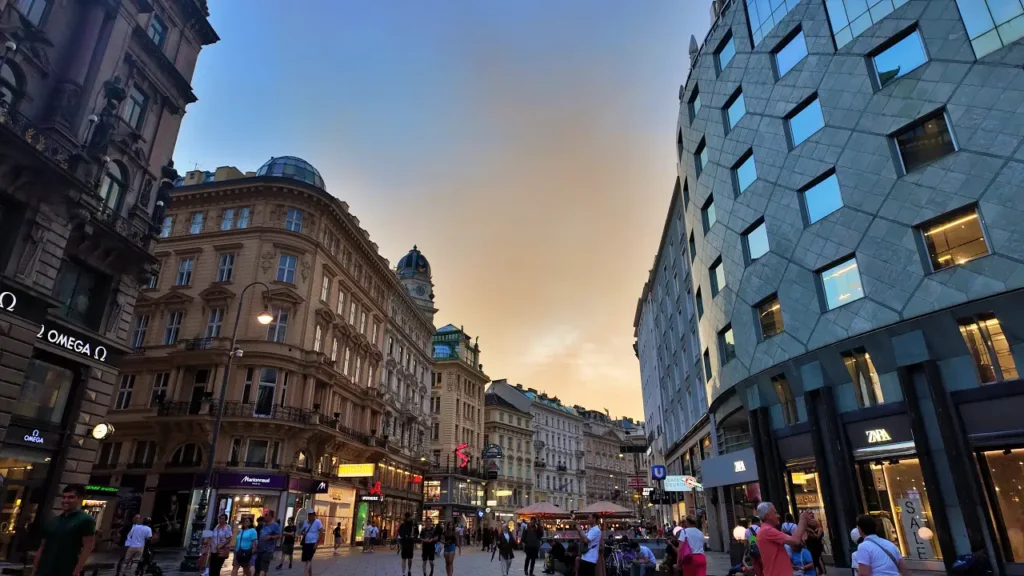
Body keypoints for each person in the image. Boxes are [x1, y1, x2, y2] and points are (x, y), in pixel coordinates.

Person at [33, 484, 96, 576]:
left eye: (71, 497)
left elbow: (88, 547)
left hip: (66, 570)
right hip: (44, 570)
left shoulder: (86, 520)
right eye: (64, 497)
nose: (66, 501)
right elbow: (42, 546)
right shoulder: (53, 521)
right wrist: (35, 569)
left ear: (80, 499)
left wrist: (76, 571)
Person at [753, 502, 811, 576]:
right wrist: (803, 519)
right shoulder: (767, 530)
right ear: (767, 516)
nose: (778, 516)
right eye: (775, 513)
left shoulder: (766, 530)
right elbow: (795, 540)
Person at [255, 510, 280, 576]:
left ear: (271, 516)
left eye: (266, 515)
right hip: (260, 549)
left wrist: (271, 537)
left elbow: (279, 535)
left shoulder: (275, 525)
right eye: (264, 515)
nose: (264, 516)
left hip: (268, 550)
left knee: (263, 568)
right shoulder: (263, 525)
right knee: (258, 568)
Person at [299, 511, 323, 576]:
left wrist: (317, 543)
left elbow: (321, 531)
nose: (309, 516)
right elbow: (301, 531)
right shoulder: (305, 522)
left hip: (313, 543)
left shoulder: (317, 522)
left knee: (309, 559)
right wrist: (303, 532)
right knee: (307, 559)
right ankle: (310, 574)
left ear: (314, 515)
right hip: (306, 543)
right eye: (309, 515)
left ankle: (305, 574)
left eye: (311, 515)